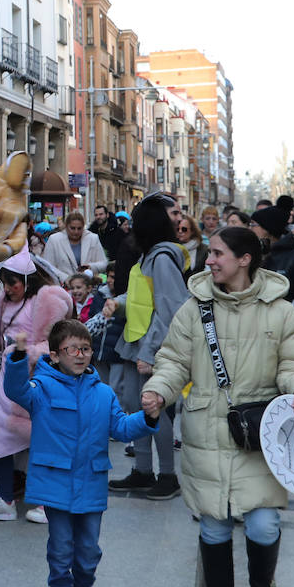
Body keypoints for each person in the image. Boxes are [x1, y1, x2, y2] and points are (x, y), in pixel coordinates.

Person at [141, 227, 294, 587]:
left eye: (218, 253)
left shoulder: (281, 312)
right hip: (207, 430)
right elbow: (173, 360)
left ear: (244, 259)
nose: (209, 260)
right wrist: (159, 388)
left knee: (263, 523)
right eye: (209, 253)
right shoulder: (194, 308)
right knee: (214, 524)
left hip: (260, 435)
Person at [4, 319, 160, 587]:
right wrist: (18, 358)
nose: (80, 355)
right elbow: (15, 390)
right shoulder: (41, 388)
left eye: (86, 348)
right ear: (55, 355)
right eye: (72, 349)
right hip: (56, 485)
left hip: (91, 482)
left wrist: (148, 418)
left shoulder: (103, 393)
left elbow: (121, 428)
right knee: (61, 549)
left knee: (88, 549)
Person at [0, 250, 71, 522]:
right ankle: (5, 499)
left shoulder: (47, 299)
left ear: (27, 280)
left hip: (38, 380)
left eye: (13, 282)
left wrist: (27, 352)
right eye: (4, 282)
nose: (7, 288)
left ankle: (49, 500)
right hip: (8, 378)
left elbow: (58, 342)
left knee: (42, 438)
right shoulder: (5, 299)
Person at [105, 193, 187, 499]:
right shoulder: (150, 256)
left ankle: (167, 476)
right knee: (137, 407)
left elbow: (170, 310)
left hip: (149, 349)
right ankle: (142, 470)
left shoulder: (162, 259)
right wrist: (119, 303)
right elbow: (144, 300)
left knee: (156, 411)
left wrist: (150, 353)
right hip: (136, 342)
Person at [249, 202, 294, 325]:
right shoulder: (253, 255)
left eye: (253, 224)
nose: (250, 228)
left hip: (286, 327)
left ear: (267, 228)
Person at [41, 212, 109, 283]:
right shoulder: (54, 240)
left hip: (88, 287)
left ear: (83, 227)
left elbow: (104, 264)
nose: (76, 232)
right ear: (66, 226)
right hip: (62, 286)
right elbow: (48, 267)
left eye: (79, 228)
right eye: (72, 228)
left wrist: (90, 267)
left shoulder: (93, 238)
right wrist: (66, 278)